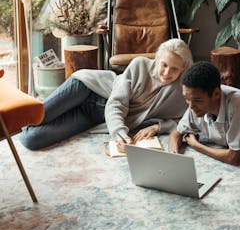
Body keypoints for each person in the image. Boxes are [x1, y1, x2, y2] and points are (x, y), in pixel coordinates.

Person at [20, 38, 193, 151]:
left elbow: (186, 121)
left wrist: (158, 127)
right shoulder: (140, 65)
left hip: (94, 117)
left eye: (174, 69)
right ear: (157, 58)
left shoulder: (180, 93)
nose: (166, 72)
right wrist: (120, 133)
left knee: (31, 139)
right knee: (36, 117)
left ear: (183, 69)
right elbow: (117, 103)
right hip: (87, 89)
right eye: (164, 65)